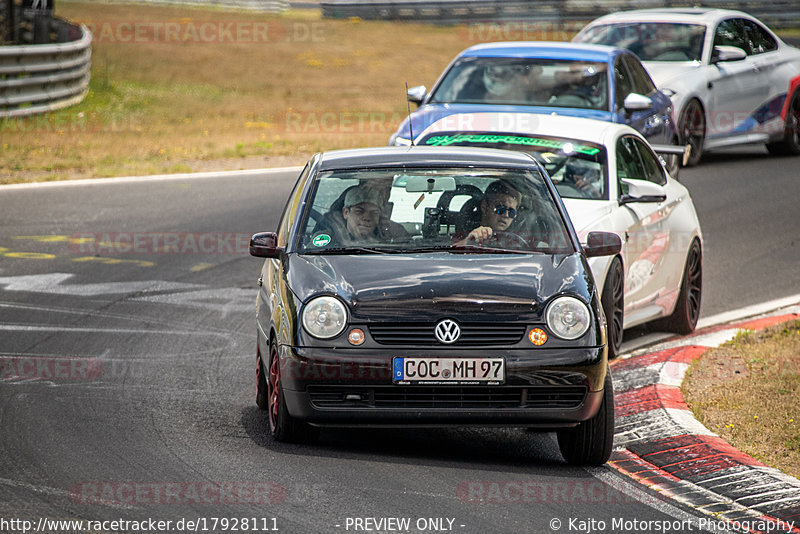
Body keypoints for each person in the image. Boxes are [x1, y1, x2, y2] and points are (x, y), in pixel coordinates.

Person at [454, 180, 522, 246]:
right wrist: (468, 242)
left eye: (512, 212)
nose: (506, 215)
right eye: (500, 209)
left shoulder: (514, 241)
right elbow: (449, 253)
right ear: (484, 207)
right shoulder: (464, 234)